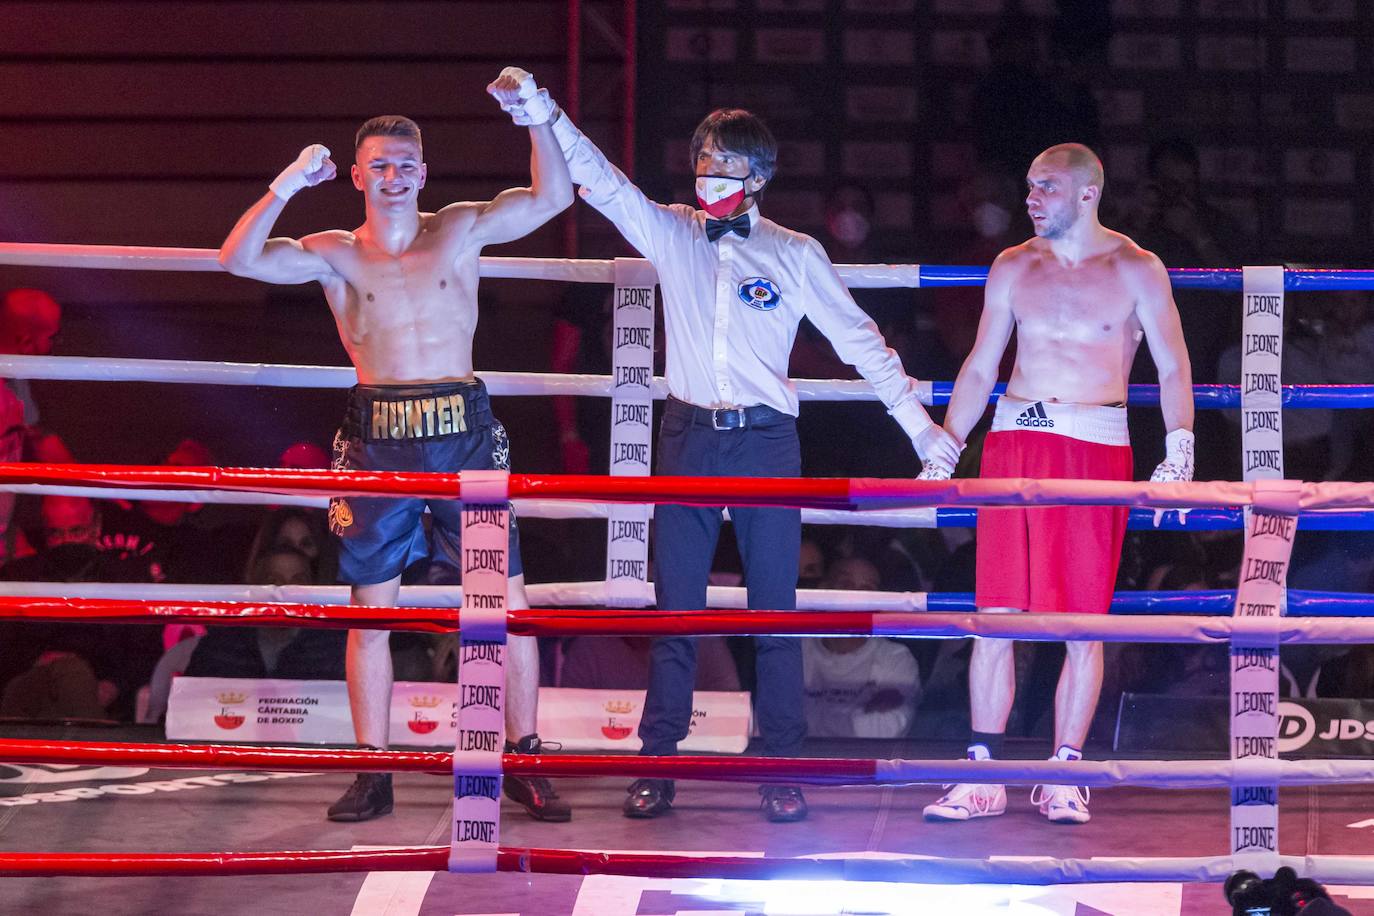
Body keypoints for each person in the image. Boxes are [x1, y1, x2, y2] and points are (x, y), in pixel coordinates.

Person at [490, 68, 960, 823]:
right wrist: (541, 109)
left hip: (767, 442)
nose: (708, 175)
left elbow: (861, 343)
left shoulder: (795, 252)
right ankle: (659, 765)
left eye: (724, 165)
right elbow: (601, 181)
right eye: (701, 161)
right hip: (688, 436)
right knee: (677, 612)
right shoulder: (672, 229)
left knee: (774, 614)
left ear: (760, 176)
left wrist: (922, 430)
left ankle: (781, 768)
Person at [217, 92, 574, 823]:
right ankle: (372, 770)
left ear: (423, 172)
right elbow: (238, 259)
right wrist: (287, 182)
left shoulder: (460, 228)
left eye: (405, 164)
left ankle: (526, 758)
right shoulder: (334, 253)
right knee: (370, 613)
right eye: (379, 165)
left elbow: (553, 196)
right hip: (378, 438)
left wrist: (534, 113)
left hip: (462, 431)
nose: (394, 175)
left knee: (504, 605)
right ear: (357, 175)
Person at [920, 143, 1194, 825]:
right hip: (1014, 444)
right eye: (1028, 186)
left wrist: (1179, 447)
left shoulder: (1137, 268)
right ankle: (983, 770)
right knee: (997, 614)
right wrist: (946, 446)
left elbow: (1172, 368)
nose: (1031, 199)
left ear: (1085, 193)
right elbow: (982, 366)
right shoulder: (1013, 265)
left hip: (1096, 448)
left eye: (1044, 187)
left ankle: (1066, 773)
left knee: (1081, 622)